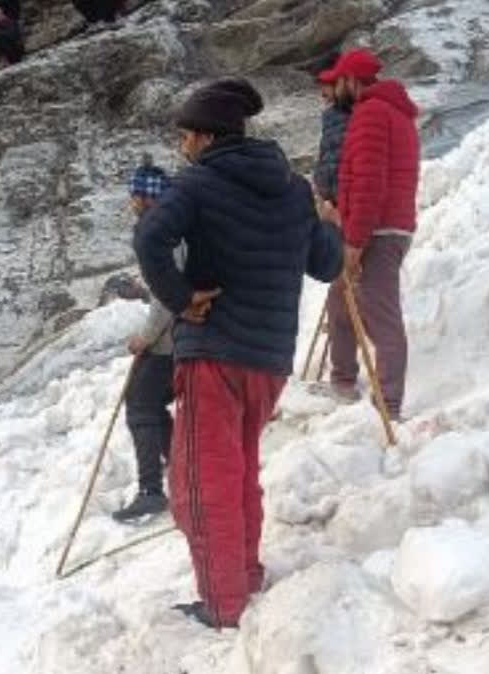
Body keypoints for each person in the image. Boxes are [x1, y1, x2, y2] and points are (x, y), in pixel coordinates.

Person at [135, 78, 343, 628]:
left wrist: (180, 299)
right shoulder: (293, 187)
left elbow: (149, 239)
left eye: (185, 136)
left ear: (205, 137)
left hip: (214, 354)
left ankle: (224, 605)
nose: (182, 146)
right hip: (270, 359)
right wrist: (327, 223)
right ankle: (243, 577)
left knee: (202, 483)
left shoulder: (196, 184)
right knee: (240, 470)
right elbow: (327, 265)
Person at [321, 48, 420, 422]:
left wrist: (354, 242)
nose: (334, 89)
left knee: (382, 316)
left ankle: (388, 406)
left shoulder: (371, 114)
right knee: (341, 300)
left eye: (338, 80)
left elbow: (367, 184)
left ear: (351, 81)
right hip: (385, 226)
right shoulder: (391, 111)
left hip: (377, 230)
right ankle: (343, 380)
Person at [112, 155, 178, 523]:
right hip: (181, 334)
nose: (132, 201)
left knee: (140, 403)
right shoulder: (172, 226)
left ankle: (151, 490)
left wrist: (145, 337)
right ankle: (178, 464)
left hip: (171, 341)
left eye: (135, 194)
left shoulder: (159, 234)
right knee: (149, 402)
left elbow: (168, 295)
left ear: (147, 198)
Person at [312, 59, 351, 207]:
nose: (322, 94)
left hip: (350, 204)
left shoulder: (361, 113)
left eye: (324, 86)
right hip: (332, 203)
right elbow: (327, 156)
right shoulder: (330, 116)